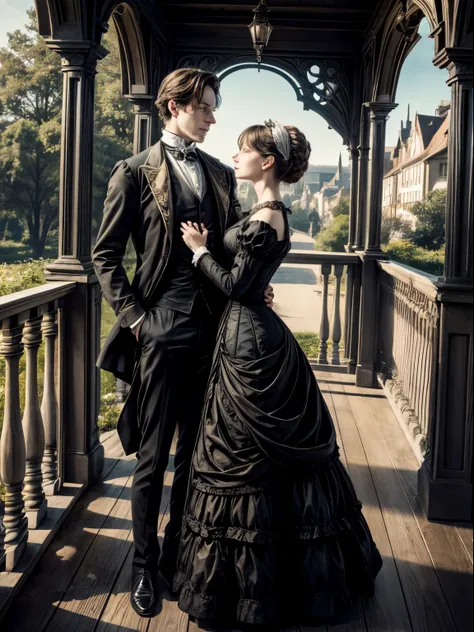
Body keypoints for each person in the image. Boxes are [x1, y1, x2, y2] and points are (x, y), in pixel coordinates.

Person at [176, 121, 383, 626]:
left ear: (266, 162)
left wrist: (201, 251)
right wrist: (249, 278)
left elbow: (238, 286)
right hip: (250, 338)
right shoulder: (265, 212)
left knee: (248, 456)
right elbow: (252, 280)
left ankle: (255, 592)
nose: (237, 155)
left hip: (252, 346)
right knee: (259, 460)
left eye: (245, 149)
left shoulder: (267, 216)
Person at [92, 68, 273, 618]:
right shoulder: (134, 171)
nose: (214, 118)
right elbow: (105, 257)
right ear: (174, 106)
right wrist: (137, 320)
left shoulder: (220, 174)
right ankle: (143, 568)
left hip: (216, 333)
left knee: (200, 454)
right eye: (205, 108)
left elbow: (237, 244)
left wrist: (253, 286)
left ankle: (179, 554)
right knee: (151, 457)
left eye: (214, 108)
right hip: (161, 331)